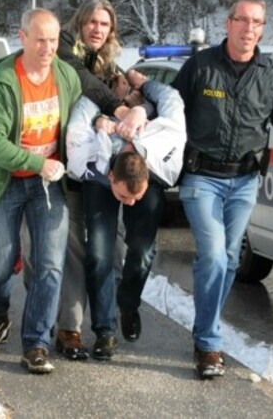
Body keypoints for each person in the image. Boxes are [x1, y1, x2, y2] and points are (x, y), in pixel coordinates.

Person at [171, 0, 273, 379]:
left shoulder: (271, 74)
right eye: (243, 21)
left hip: (245, 181)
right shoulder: (200, 67)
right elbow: (169, 109)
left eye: (257, 23)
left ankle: (206, 331)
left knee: (230, 261)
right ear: (228, 24)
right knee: (215, 256)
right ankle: (208, 343)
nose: (249, 29)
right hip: (202, 177)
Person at [0, 8, 81, 374]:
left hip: (47, 187)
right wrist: (38, 162)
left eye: (53, 40)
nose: (48, 47)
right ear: (22, 37)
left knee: (50, 264)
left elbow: (82, 112)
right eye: (40, 39)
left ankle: (36, 342)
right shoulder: (4, 81)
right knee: (1, 263)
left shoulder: (66, 75)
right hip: (5, 182)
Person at [51, 0, 146, 360]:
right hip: (65, 171)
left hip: (101, 175)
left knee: (107, 251)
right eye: (92, 21)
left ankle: (103, 327)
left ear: (112, 30)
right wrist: (114, 106)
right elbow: (83, 80)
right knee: (74, 253)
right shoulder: (63, 49)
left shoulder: (112, 66)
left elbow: (125, 103)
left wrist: (135, 94)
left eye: (104, 24)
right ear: (80, 23)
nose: (97, 29)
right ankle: (70, 329)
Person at [66, 70, 185, 360]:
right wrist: (107, 113)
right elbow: (85, 104)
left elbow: (170, 97)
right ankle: (105, 331)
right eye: (124, 197)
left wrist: (143, 96)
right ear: (110, 176)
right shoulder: (85, 153)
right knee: (99, 254)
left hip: (148, 161)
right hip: (99, 172)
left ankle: (129, 303)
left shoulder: (166, 144)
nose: (129, 204)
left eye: (136, 197)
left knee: (142, 251)